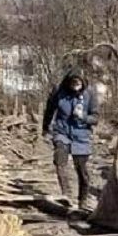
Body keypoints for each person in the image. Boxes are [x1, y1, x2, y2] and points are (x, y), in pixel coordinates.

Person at [41, 69, 99, 211]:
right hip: (62, 132)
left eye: (78, 83)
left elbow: (96, 118)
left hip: (81, 136)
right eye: (73, 82)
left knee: (82, 170)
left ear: (83, 83)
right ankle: (66, 195)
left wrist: (84, 117)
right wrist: (45, 127)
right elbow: (49, 110)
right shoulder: (59, 92)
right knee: (60, 162)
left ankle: (82, 200)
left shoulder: (90, 94)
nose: (76, 85)